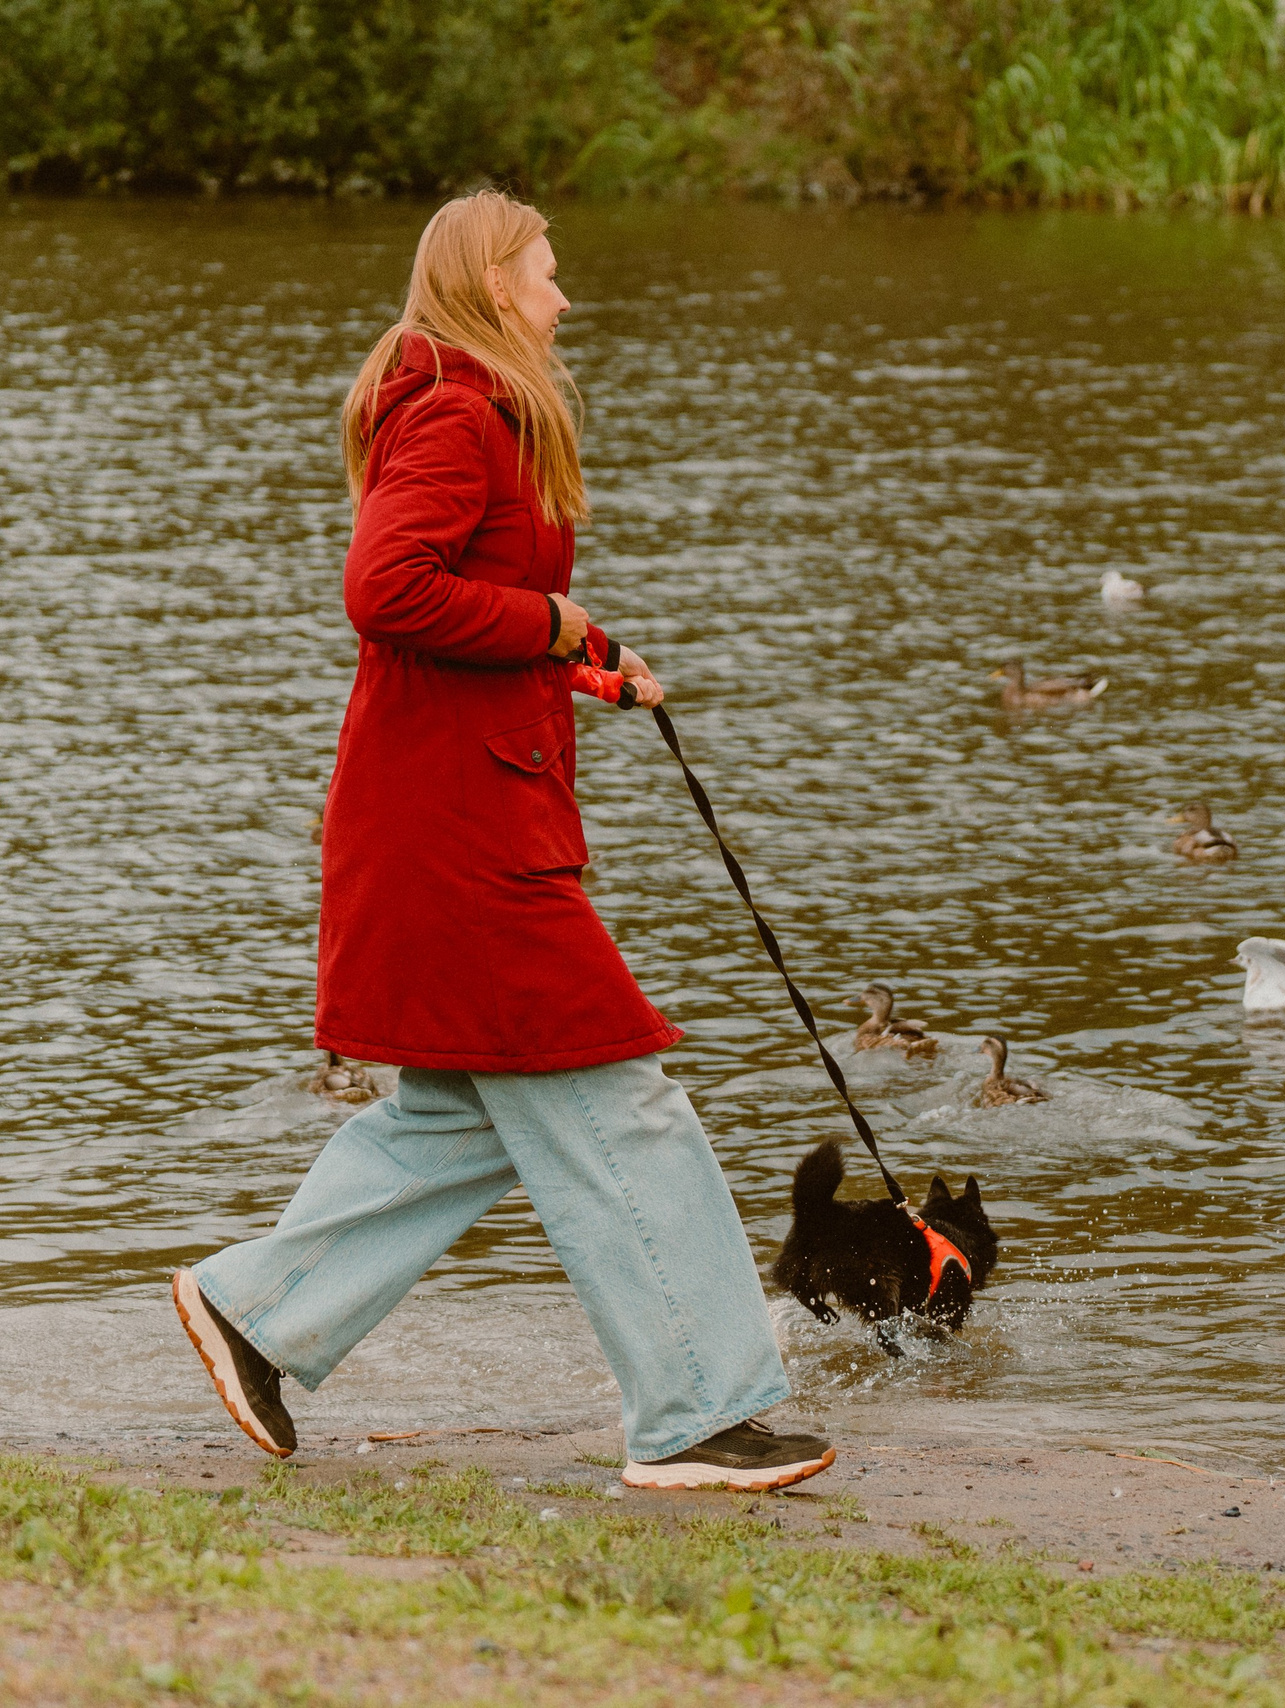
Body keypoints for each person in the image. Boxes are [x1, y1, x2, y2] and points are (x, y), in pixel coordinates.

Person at [170, 189, 832, 1494]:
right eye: (544, 272)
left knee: (457, 1116)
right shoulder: (458, 412)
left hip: (458, 816)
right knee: (621, 1102)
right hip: (460, 845)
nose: (562, 295)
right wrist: (545, 625)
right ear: (487, 282)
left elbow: (470, 611)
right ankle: (699, 1411)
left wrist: (586, 655)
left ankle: (257, 1315)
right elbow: (387, 588)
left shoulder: (468, 410)